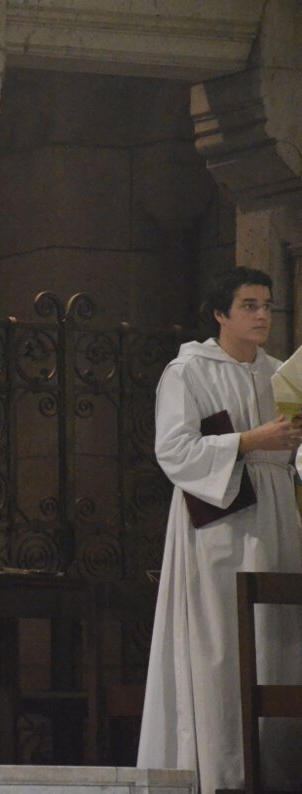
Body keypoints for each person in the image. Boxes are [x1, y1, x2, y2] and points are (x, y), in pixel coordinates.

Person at [137, 267, 302, 792]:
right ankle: (223, 773)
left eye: (268, 306)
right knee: (221, 649)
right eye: (250, 305)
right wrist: (250, 441)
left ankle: (278, 772)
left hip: (278, 520)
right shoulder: (188, 372)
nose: (262, 315)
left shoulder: (282, 375)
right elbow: (174, 451)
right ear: (220, 314)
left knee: (279, 643)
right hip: (219, 528)